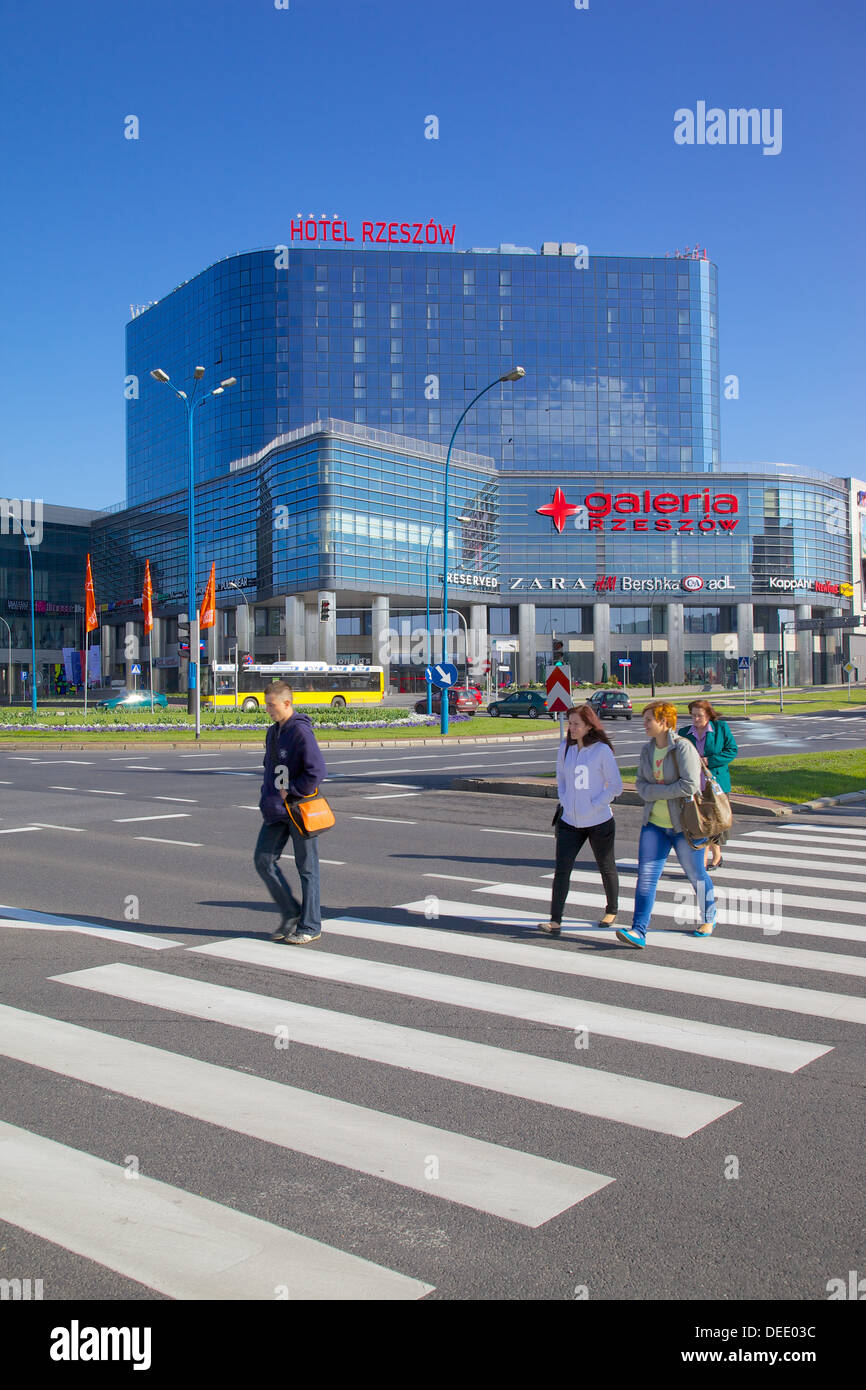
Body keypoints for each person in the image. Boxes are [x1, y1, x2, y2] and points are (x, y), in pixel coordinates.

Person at [616, 701, 716, 948]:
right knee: (646, 877)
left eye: (649, 719)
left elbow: (690, 785)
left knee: (695, 874)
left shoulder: (682, 748)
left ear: (664, 722)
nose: (645, 724)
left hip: (685, 825)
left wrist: (657, 791)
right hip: (654, 824)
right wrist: (658, 791)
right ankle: (638, 931)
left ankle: (709, 916)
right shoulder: (647, 750)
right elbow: (640, 786)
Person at [538, 704, 623, 935]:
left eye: (576, 724)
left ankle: (611, 910)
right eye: (570, 723)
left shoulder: (601, 750)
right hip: (569, 821)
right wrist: (565, 799)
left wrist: (596, 803)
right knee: (562, 869)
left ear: (588, 726)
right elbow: (561, 776)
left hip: (599, 821)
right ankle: (555, 920)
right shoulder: (565, 747)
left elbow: (616, 786)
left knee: (606, 866)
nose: (571, 728)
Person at [255, 679, 327, 944]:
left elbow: (317, 771)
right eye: (267, 705)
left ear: (287, 703)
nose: (268, 710)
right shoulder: (273, 731)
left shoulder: (300, 732)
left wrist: (294, 789)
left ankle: (310, 925)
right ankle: (291, 912)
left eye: (271, 705)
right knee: (262, 860)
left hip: (299, 810)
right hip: (275, 810)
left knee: (307, 868)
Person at [678, 699, 738, 871]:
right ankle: (704, 861)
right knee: (700, 822)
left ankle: (715, 856)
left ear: (708, 715)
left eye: (700, 716)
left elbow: (732, 750)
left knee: (716, 821)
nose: (696, 719)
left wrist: (708, 760)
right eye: (693, 716)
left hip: (716, 784)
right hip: (695, 785)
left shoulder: (720, 728)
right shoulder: (684, 732)